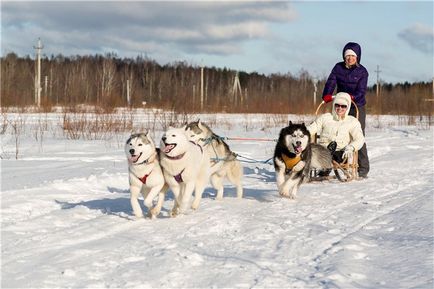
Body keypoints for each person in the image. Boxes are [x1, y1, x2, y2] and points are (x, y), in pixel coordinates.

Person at [322, 42, 370, 178]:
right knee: (335, 132)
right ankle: (332, 164)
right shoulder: (338, 68)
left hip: (356, 105)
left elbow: (362, 90)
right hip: (341, 105)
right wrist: (327, 94)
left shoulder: (362, 72)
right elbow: (331, 81)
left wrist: (352, 97)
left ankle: (363, 167)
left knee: (357, 135)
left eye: (352, 56)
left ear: (357, 57)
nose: (350, 58)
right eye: (347, 56)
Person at [308, 92, 365, 175]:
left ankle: (326, 164)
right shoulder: (326, 117)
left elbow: (360, 139)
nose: (340, 108)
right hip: (321, 151)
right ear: (334, 105)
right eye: (337, 105)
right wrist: (300, 132)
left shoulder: (352, 121)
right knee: (310, 151)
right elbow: (312, 128)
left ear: (348, 107)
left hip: (340, 153)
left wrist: (351, 147)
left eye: (343, 106)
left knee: (332, 152)